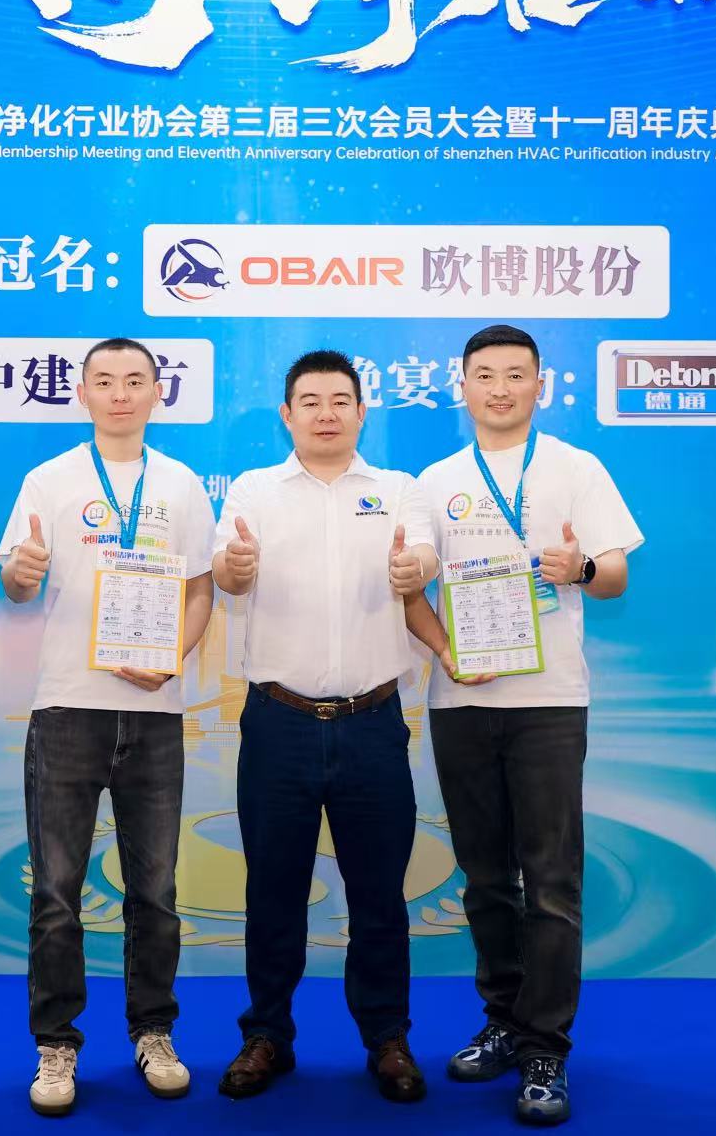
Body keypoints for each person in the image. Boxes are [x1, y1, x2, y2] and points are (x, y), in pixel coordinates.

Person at [403, 324, 643, 1127]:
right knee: (484, 880)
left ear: (541, 384)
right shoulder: (435, 480)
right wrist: (423, 601)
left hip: (548, 703)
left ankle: (547, 1047)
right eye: (485, 375)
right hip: (463, 700)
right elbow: (416, 577)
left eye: (515, 374)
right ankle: (503, 1020)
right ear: (462, 386)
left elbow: (615, 574)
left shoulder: (577, 467)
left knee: (552, 882)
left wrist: (580, 567)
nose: (500, 388)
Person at [210, 349, 439, 1104]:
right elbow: (226, 569)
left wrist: (415, 570)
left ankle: (388, 1038)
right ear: (288, 414)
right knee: (273, 892)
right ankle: (265, 1035)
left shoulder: (398, 490)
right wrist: (236, 567)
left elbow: (422, 556)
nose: (326, 413)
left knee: (380, 896)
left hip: (373, 723)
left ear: (361, 411)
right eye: (310, 401)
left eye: (340, 400)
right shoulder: (253, 490)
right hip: (278, 723)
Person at [0, 337, 216, 1117]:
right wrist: (19, 574)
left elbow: (201, 593)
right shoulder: (49, 479)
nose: (120, 393)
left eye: (134, 380)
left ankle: (154, 1031)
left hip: (154, 714)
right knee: (57, 891)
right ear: (82, 393)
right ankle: (56, 1043)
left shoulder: (181, 484)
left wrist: (172, 659)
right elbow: (17, 583)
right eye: (104, 381)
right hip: (67, 709)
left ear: (158, 392)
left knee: (155, 890)